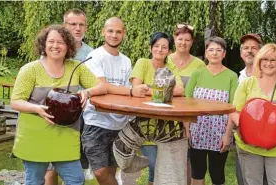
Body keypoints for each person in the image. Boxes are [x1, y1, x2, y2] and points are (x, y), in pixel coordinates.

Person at [10, 24, 107, 185]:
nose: (55, 46)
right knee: (35, 181)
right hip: (35, 138)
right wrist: (37, 109)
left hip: (66, 138)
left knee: (76, 180)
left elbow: (102, 86)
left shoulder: (76, 68)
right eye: (51, 41)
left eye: (61, 42)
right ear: (44, 44)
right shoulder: (30, 70)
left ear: (68, 45)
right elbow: (15, 101)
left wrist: (86, 92)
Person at [81, 17, 149, 185]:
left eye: (118, 32)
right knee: (100, 172)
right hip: (96, 123)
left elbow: (126, 94)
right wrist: (131, 91)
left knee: (112, 170)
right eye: (110, 31)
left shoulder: (126, 61)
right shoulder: (94, 57)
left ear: (123, 34)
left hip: (119, 125)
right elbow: (102, 86)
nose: (114, 35)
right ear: (103, 32)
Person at [231, 43, 276, 185]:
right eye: (264, 59)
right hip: (249, 147)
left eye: (273, 60)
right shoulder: (247, 84)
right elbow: (235, 111)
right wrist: (245, 127)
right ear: (259, 61)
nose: (268, 63)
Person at [45, 8, 94, 185]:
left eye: (81, 24)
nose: (78, 28)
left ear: (86, 28)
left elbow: (97, 84)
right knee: (51, 165)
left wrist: (88, 93)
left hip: (82, 116)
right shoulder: (53, 50)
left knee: (74, 163)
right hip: (57, 115)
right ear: (64, 26)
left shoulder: (92, 54)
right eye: (73, 24)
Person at [130, 31, 184, 185]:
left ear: (169, 51)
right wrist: (165, 92)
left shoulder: (170, 67)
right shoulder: (143, 63)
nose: (160, 49)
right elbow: (137, 89)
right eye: (156, 46)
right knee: (154, 165)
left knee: (163, 169)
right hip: (146, 125)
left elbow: (181, 90)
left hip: (167, 126)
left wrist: (150, 89)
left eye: (164, 47)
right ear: (151, 47)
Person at [185, 36, 238, 185]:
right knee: (197, 171)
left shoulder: (232, 76)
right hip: (197, 130)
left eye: (219, 50)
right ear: (206, 53)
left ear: (224, 54)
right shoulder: (197, 74)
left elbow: (232, 108)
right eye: (211, 50)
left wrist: (227, 135)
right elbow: (186, 104)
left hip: (220, 132)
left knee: (217, 173)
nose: (214, 53)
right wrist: (187, 129)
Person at [167, 23, 206, 185]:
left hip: (189, 117)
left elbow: (201, 93)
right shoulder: (165, 59)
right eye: (180, 38)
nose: (183, 42)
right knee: (168, 159)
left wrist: (188, 121)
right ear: (175, 39)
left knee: (190, 158)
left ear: (192, 42)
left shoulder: (199, 65)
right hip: (166, 116)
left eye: (187, 40)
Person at [237, 33, 265, 185]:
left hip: (263, 137)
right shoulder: (239, 77)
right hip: (242, 137)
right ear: (241, 53)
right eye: (246, 48)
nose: (249, 51)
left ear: (260, 52)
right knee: (243, 178)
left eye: (254, 48)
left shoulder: (268, 75)